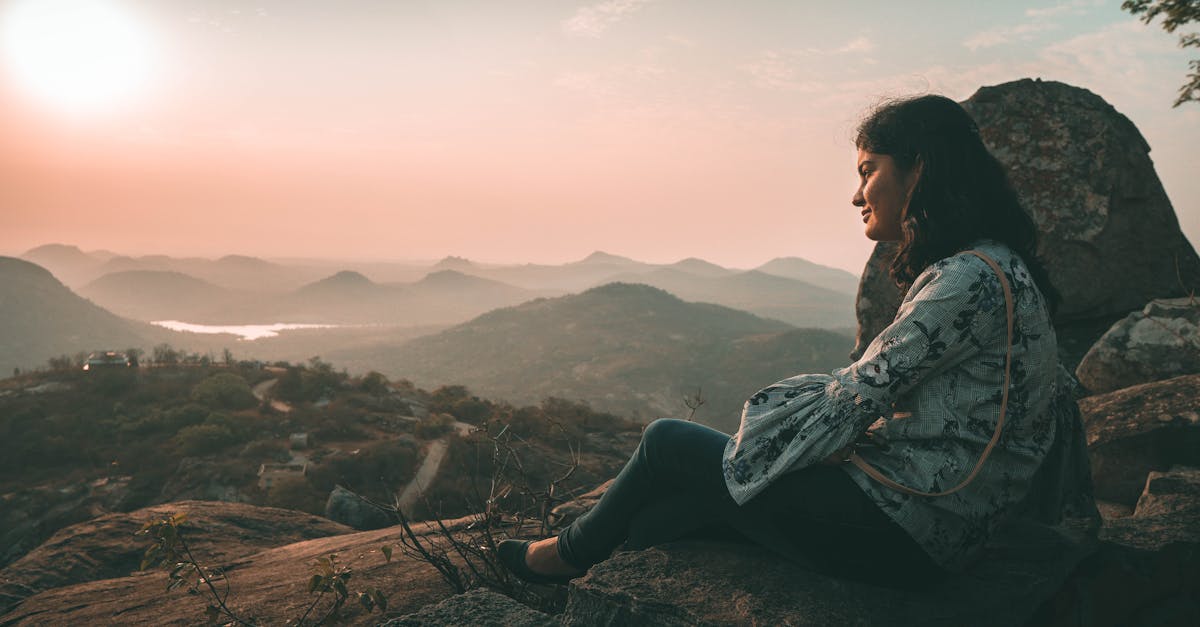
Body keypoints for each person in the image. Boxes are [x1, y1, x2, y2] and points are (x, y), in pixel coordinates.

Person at [498, 94, 1097, 587]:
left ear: (921, 169)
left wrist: (772, 438)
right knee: (657, 521)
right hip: (946, 522)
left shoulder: (966, 280)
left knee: (666, 443)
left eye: (869, 171)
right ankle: (601, 549)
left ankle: (561, 557)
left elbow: (857, 393)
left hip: (915, 531)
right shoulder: (1001, 264)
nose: (858, 195)